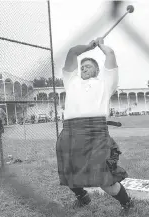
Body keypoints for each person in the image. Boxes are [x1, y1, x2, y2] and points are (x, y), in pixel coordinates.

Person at [56, 38, 135, 216]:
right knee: (69, 172)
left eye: (88, 66)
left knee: (103, 178)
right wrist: (87, 47)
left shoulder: (106, 83)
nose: (84, 68)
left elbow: (110, 54)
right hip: (70, 131)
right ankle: (82, 197)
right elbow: (72, 53)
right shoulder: (71, 81)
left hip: (96, 133)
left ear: (98, 70)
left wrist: (100, 46)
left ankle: (127, 204)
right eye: (82, 66)